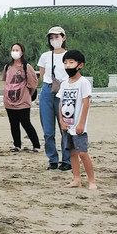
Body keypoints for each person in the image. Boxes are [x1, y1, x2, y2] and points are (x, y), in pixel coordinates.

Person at [56, 50, 96, 190]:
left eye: (71, 62)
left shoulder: (83, 83)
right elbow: (60, 103)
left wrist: (81, 123)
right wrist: (61, 120)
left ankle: (91, 181)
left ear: (80, 65)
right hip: (67, 125)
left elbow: (86, 103)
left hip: (79, 126)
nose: (68, 66)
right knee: (71, 152)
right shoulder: (64, 83)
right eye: (66, 63)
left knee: (83, 153)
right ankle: (76, 178)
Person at [37, 26, 71, 170]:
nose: (54, 40)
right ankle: (52, 159)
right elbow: (42, 75)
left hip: (65, 91)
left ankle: (67, 160)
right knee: (48, 130)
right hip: (47, 90)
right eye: (51, 37)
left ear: (63, 37)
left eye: (57, 37)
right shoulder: (45, 56)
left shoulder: (70, 55)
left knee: (65, 127)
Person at [3, 43, 41, 152]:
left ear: (22, 52)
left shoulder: (27, 67)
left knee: (26, 122)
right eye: (13, 49)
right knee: (13, 123)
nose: (15, 52)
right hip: (9, 101)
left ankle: (36, 145)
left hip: (23, 101)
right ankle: (17, 145)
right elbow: (6, 81)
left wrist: (28, 95)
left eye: (17, 50)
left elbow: (33, 84)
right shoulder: (7, 67)